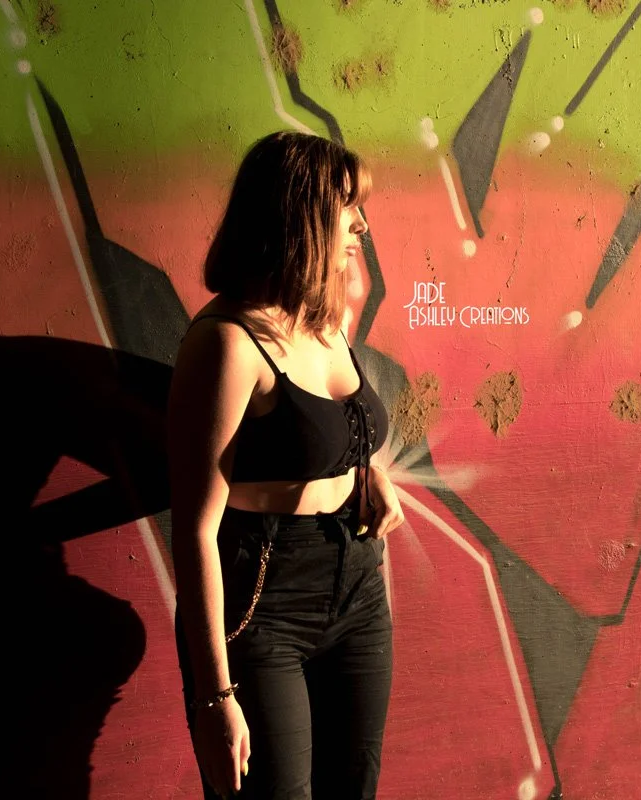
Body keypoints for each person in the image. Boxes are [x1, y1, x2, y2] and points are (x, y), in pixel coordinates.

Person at [168, 131, 405, 800]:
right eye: (346, 207)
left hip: (358, 583)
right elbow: (193, 531)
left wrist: (366, 474)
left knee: (353, 786)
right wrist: (214, 699)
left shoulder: (325, 319)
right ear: (298, 212)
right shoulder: (228, 343)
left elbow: (325, 431)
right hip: (264, 596)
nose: (361, 222)